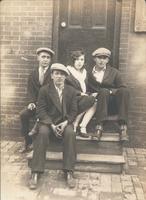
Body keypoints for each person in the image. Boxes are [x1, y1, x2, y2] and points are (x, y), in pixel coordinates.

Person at [28, 63, 78, 190]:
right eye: (56, 74)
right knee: (42, 133)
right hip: (47, 122)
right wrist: (51, 125)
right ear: (51, 75)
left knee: (70, 133)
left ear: (66, 77)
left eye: (62, 74)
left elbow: (73, 111)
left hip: (64, 122)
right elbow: (41, 110)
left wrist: (66, 122)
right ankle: (35, 172)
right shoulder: (44, 90)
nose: (59, 77)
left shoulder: (71, 91)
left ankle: (69, 171)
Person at [88, 47, 130, 141]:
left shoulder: (114, 72)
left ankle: (123, 127)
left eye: (104, 58)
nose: (102, 60)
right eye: (99, 58)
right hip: (96, 104)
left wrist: (110, 91)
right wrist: (91, 94)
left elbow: (122, 87)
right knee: (103, 91)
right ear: (94, 59)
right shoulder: (88, 73)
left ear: (107, 60)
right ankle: (99, 127)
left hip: (112, 104)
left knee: (124, 91)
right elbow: (85, 88)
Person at [19, 47, 55, 153]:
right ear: (38, 58)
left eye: (48, 57)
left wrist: (42, 102)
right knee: (23, 114)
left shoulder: (53, 73)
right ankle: (27, 141)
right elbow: (30, 90)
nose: (45, 59)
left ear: (50, 60)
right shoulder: (33, 73)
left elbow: (53, 91)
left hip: (49, 106)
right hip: (36, 104)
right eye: (43, 57)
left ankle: (39, 143)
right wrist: (31, 102)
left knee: (42, 117)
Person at [66, 50, 97, 138]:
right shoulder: (68, 72)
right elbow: (66, 88)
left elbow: (89, 86)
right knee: (90, 100)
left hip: (83, 98)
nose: (80, 62)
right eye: (77, 60)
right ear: (73, 61)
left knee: (95, 101)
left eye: (82, 60)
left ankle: (82, 125)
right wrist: (80, 93)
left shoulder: (85, 73)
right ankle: (76, 125)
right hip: (71, 98)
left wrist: (93, 93)